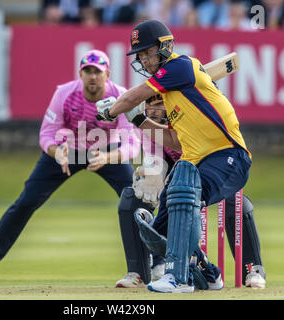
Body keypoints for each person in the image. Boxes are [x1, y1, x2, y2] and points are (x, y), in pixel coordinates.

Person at [97, 19, 265, 293]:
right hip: (197, 162)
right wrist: (139, 120)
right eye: (139, 55)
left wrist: (111, 110)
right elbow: (177, 139)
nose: (142, 59)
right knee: (159, 228)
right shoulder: (176, 96)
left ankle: (178, 278)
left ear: (165, 47)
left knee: (184, 193)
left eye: (146, 52)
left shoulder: (180, 66)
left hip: (227, 155)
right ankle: (209, 273)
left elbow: (135, 95)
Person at [0, 49, 141, 280]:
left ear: (107, 74)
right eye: (87, 71)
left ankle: (158, 262)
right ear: (80, 73)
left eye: (97, 72)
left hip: (107, 150)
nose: (92, 76)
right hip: (67, 150)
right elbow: (46, 134)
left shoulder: (121, 96)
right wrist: (56, 152)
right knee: (26, 202)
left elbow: (133, 144)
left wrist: (108, 157)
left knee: (138, 200)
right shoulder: (64, 93)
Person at [115, 95, 223, 290]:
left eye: (159, 104)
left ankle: (252, 269)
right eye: (150, 105)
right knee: (131, 198)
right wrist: (154, 173)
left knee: (235, 203)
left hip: (209, 170)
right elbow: (153, 154)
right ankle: (141, 271)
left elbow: (195, 151)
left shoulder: (187, 117)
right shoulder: (147, 125)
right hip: (176, 174)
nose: (154, 110)